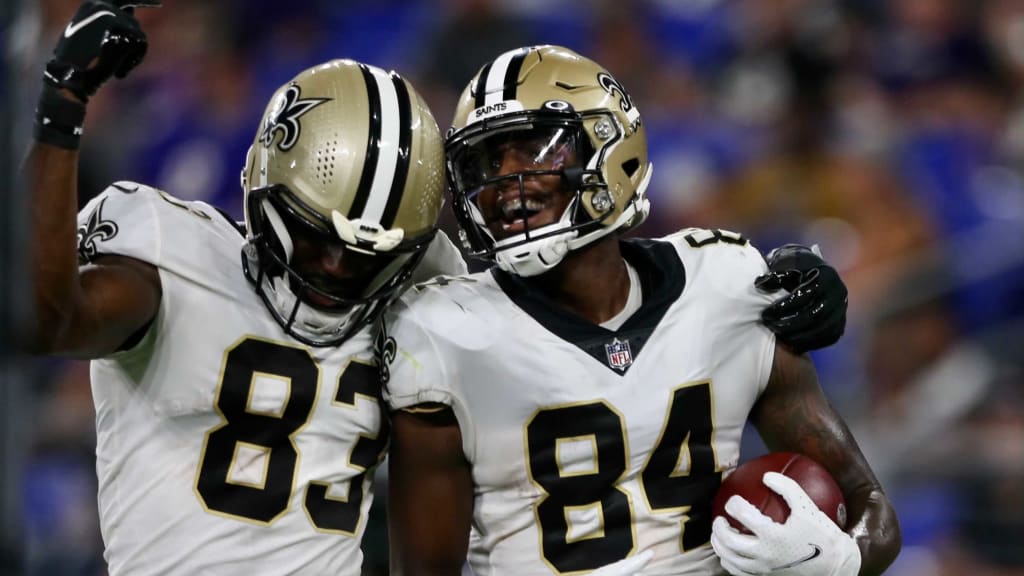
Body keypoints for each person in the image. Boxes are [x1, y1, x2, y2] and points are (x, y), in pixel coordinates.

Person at [381, 45, 900, 575]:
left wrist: (840, 562)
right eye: (489, 161)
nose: (507, 182)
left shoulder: (725, 283)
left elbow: (871, 507)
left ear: (611, 148)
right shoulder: (446, 333)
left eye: (536, 150)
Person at [22, 1, 466, 574]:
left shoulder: (423, 297)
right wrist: (62, 108)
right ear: (263, 186)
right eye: (314, 237)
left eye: (365, 259)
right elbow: (43, 320)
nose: (334, 267)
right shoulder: (172, 257)